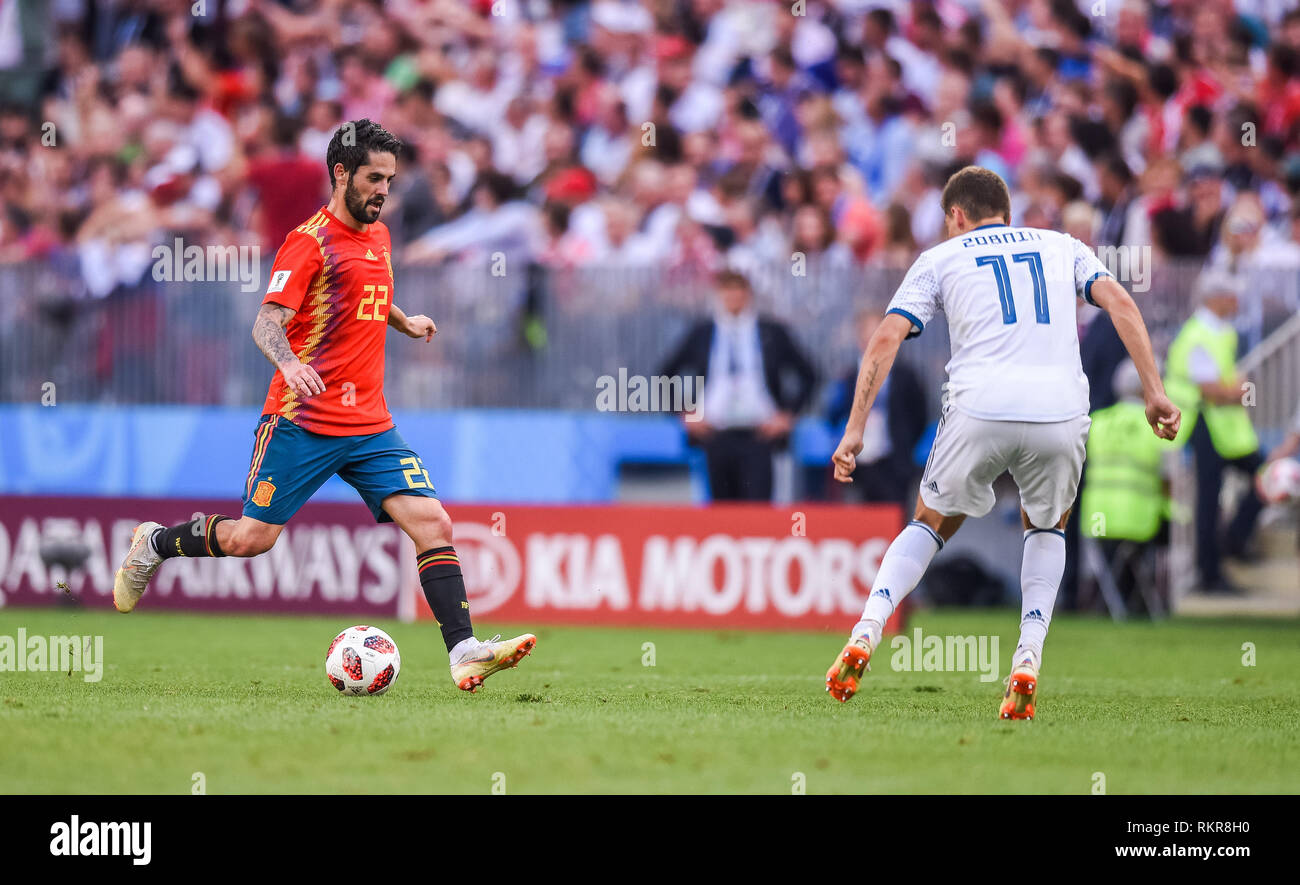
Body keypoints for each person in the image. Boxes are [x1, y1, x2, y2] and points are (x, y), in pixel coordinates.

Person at [112, 120, 536, 693]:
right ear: (341, 174)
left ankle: (464, 651)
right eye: (373, 177)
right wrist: (288, 363)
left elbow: (368, 294)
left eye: (390, 177)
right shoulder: (308, 242)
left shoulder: (379, 236)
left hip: (369, 423)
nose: (383, 189)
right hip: (302, 419)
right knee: (250, 540)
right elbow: (266, 322)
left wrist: (404, 321)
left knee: (434, 523)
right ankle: (153, 543)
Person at [824, 166, 1180, 719]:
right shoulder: (1065, 246)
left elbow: (887, 335)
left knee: (930, 520)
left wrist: (854, 429)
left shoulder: (942, 257)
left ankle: (867, 632)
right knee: (1047, 525)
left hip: (979, 408)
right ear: (1008, 215)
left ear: (955, 217)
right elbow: (1123, 306)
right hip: (1059, 411)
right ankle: (1027, 660)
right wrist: (1154, 393)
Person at [659, 269, 817, 501]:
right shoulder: (703, 333)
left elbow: (809, 374)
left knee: (758, 510)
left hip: (760, 435)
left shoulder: (771, 332)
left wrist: (788, 415)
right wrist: (686, 415)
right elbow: (665, 374)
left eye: (738, 292)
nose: (733, 298)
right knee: (721, 512)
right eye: (727, 292)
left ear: (748, 295)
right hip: (714, 433)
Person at [1164, 272, 1266, 594]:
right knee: (1209, 499)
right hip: (1204, 423)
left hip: (1221, 426)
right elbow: (1213, 390)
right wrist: (1239, 390)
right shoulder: (1199, 334)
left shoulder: (1216, 332)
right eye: (1231, 296)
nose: (1237, 302)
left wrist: (1237, 389)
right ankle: (1211, 570)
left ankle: (1232, 540)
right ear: (1217, 299)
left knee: (1262, 477)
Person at [1079, 360, 1177, 615]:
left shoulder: (1096, 422)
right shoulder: (1159, 426)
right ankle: (1147, 606)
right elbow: (1168, 479)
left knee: (1113, 558)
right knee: (1154, 539)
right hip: (1139, 521)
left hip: (1096, 520)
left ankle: (1109, 603)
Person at [825, 308, 928, 507]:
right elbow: (832, 415)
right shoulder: (846, 377)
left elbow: (919, 416)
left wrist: (903, 444)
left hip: (893, 464)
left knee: (894, 524)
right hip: (856, 467)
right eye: (867, 335)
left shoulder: (905, 376)